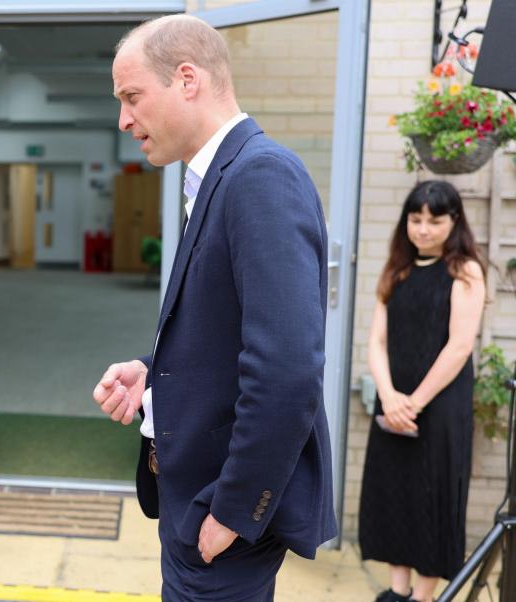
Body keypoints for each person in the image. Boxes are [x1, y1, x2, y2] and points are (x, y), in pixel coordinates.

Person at [93, 14, 337, 601]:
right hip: (194, 500)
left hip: (220, 512)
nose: (124, 119)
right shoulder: (220, 176)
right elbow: (230, 332)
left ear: (187, 79)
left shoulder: (260, 177)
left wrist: (233, 512)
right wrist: (153, 373)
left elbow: (287, 371)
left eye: (132, 97)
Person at [359, 180, 486, 602]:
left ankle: (425, 596)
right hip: (394, 401)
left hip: (438, 407)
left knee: (433, 496)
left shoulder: (464, 270)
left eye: (435, 220)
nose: (423, 229)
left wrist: (412, 402)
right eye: (416, 219)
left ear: (454, 222)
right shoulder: (397, 268)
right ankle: (397, 591)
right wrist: (390, 396)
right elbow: (376, 341)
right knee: (396, 492)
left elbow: (459, 346)